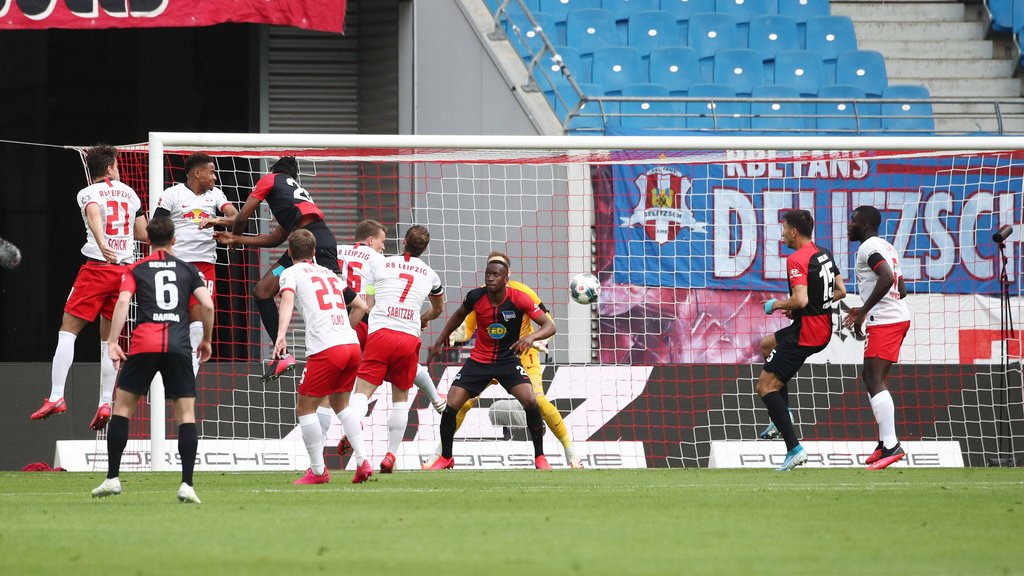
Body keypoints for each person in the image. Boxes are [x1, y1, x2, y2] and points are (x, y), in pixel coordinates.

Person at [90, 216, 213, 503]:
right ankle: (187, 485)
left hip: (144, 343)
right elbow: (206, 303)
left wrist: (112, 342)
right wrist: (206, 339)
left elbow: (122, 302)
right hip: (178, 346)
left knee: (122, 410)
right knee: (185, 415)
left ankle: (112, 479)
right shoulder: (188, 269)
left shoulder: (136, 268)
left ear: (147, 240)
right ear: (174, 240)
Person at [424, 251, 582, 469]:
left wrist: (533, 339)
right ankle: (441, 455)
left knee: (536, 401)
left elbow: (548, 323)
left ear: (507, 275)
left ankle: (568, 452)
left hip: (519, 354)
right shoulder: (478, 297)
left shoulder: (522, 294)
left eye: (496, 273)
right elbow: (466, 326)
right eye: (488, 272)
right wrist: (449, 337)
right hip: (482, 359)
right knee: (459, 404)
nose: (490, 277)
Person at [32, 144, 148, 431]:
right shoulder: (130, 194)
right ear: (109, 168)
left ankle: (57, 395)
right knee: (109, 340)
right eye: (117, 165)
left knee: (67, 331)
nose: (118, 170)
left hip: (98, 268)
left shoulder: (87, 192)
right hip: (125, 273)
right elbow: (144, 234)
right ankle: (105, 401)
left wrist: (102, 242)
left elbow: (95, 215)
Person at [202, 156, 341, 360]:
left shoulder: (271, 179)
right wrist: (238, 239)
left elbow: (241, 217)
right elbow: (275, 239)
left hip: (315, 244)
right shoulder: (292, 200)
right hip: (299, 246)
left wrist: (233, 241)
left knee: (340, 298)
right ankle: (283, 355)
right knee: (263, 290)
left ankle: (359, 338)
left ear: (275, 170)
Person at [275, 229, 370, 484]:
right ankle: (363, 462)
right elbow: (361, 305)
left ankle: (318, 471)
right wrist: (345, 331)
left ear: (290, 252)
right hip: (351, 345)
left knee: (305, 407)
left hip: (326, 348)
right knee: (342, 405)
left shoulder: (289, 273)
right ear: (314, 252)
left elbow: (286, 302)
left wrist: (281, 335)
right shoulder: (330, 274)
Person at [348, 225, 445, 473]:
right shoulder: (431, 275)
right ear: (424, 248)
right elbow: (438, 309)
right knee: (400, 398)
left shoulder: (380, 263)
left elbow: (369, 293)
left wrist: (372, 305)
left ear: (403, 242)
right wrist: (423, 318)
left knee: (362, 391)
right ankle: (391, 455)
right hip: (408, 337)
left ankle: (355, 425)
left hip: (380, 334)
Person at [759, 209, 846, 472]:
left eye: (784, 228)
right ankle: (781, 414)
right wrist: (801, 309)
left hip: (808, 331)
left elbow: (802, 299)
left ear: (794, 232)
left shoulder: (796, 259)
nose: (782, 233)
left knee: (765, 387)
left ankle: (794, 449)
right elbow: (840, 291)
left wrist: (778, 304)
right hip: (819, 327)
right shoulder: (824, 254)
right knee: (767, 344)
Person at [153, 152, 238, 375]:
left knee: (199, 319)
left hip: (204, 266)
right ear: (197, 173)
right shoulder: (172, 194)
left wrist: (216, 219)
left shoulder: (216, 195)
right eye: (212, 172)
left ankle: (189, 373)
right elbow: (156, 226)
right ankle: (166, 367)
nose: (215, 178)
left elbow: (236, 217)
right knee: (173, 318)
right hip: (176, 265)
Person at [843, 206, 911, 470]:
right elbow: (901, 289)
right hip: (892, 317)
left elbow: (887, 277)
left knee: (873, 378)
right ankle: (884, 443)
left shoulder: (868, 248)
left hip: (887, 320)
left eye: (853, 220)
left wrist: (863, 311)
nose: (850, 225)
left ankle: (892, 445)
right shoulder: (887, 247)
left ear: (866, 224)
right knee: (871, 377)